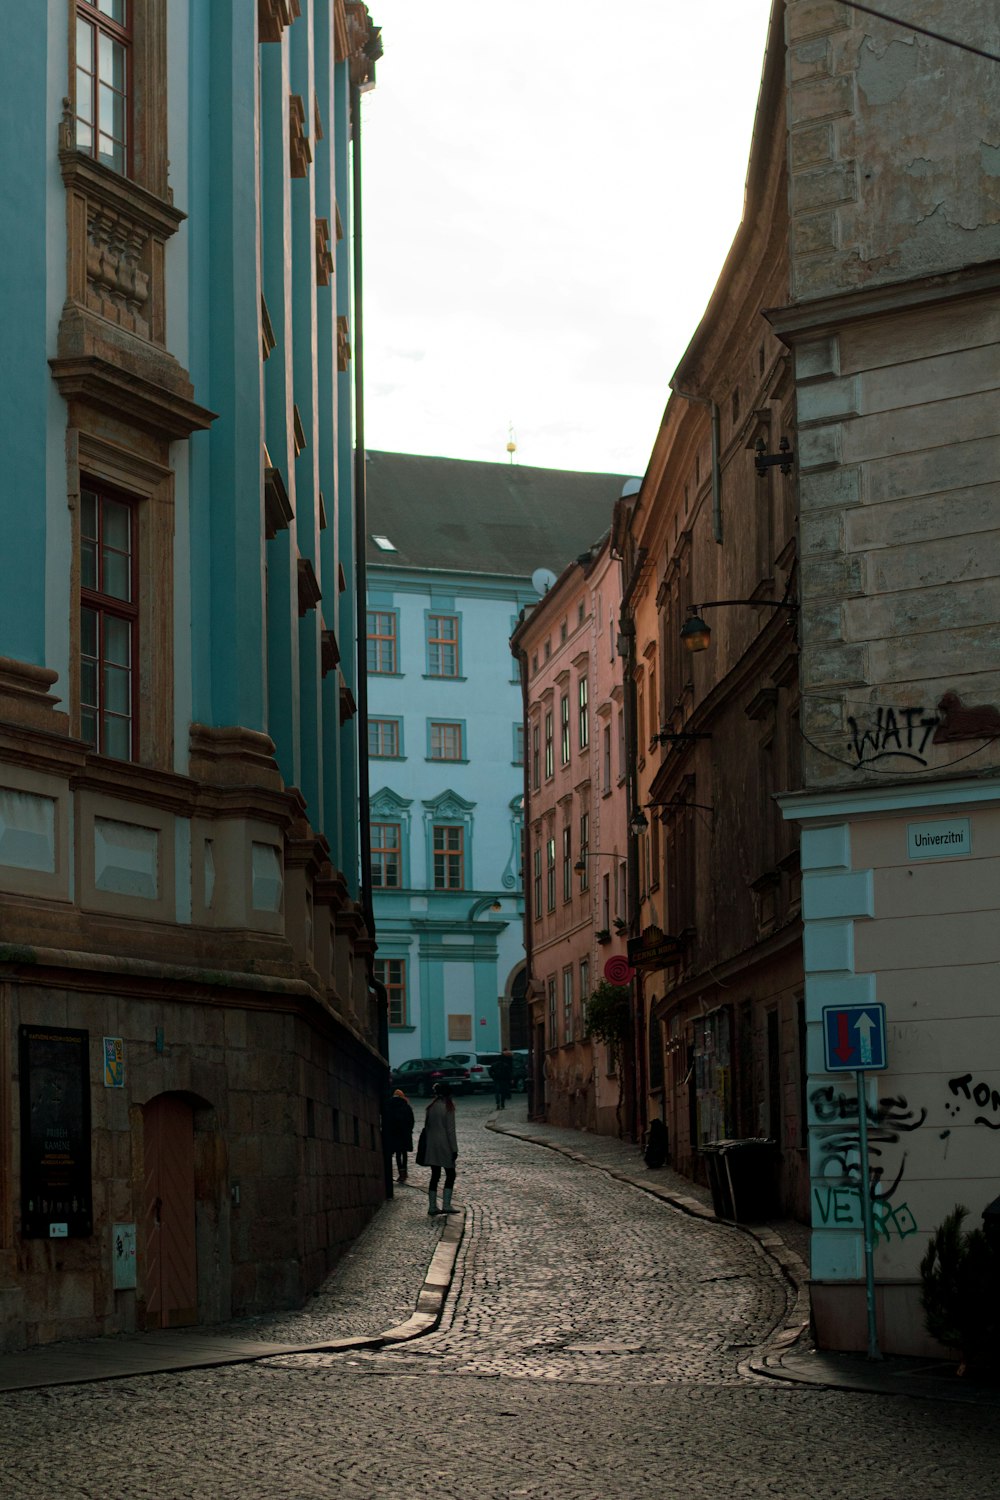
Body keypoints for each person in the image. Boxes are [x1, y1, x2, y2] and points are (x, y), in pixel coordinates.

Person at [423, 1079, 459, 1216]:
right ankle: (446, 1204)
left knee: (435, 1175)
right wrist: (454, 1149)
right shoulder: (448, 1108)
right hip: (444, 1145)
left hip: (432, 1145)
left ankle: (432, 1206)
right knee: (450, 1174)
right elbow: (450, 1130)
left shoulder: (431, 1107)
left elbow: (427, 1127)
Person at [387, 1088, 415, 1181]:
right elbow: (411, 1120)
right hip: (405, 1133)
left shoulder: (390, 1105)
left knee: (398, 1154)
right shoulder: (406, 1106)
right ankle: (404, 1172)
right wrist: (409, 1130)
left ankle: (401, 1173)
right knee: (404, 1153)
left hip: (394, 1134)